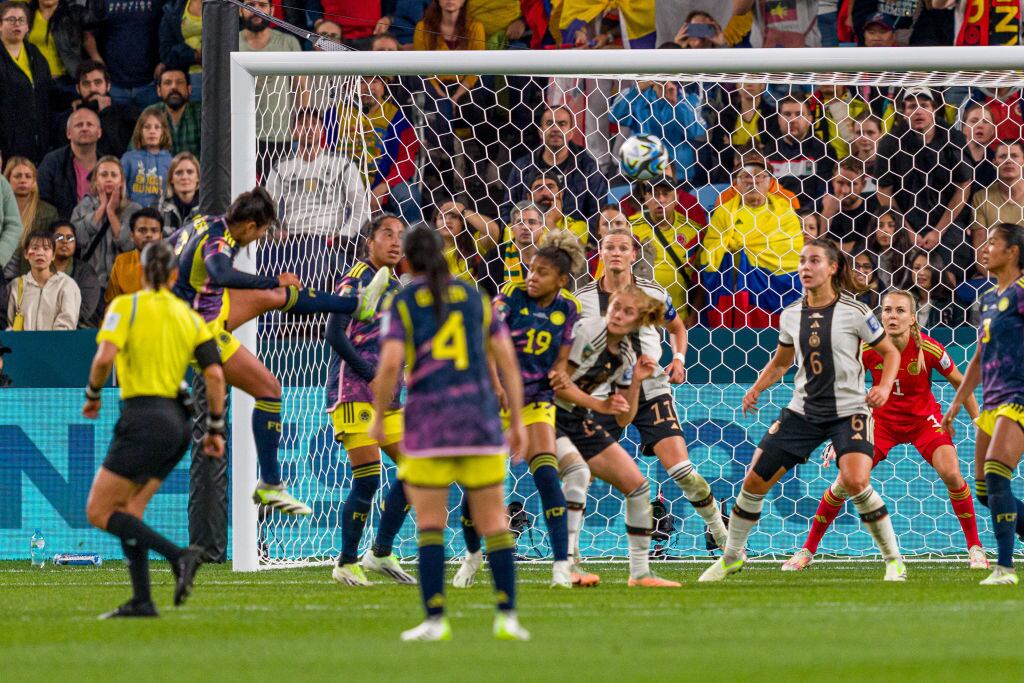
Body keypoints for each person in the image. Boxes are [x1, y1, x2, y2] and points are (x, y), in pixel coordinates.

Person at [170, 188, 390, 514]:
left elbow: (166, 250)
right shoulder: (220, 239)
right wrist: (271, 278)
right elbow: (220, 271)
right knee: (270, 389)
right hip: (195, 331)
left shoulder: (203, 222)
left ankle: (357, 306)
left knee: (280, 294)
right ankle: (270, 485)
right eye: (261, 232)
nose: (259, 239)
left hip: (204, 309)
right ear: (250, 225)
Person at [700, 238, 905, 583]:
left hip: (849, 410)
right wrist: (756, 388)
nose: (805, 268)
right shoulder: (791, 314)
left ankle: (894, 560)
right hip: (802, 412)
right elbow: (781, 362)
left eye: (814, 261)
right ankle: (732, 556)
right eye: (802, 261)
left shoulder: (855, 312)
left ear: (833, 267)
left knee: (855, 480)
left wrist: (883, 387)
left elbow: (891, 353)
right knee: (753, 481)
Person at [371, 225, 530, 642]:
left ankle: (435, 620)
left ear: (407, 260)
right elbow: (508, 363)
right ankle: (507, 616)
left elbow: (389, 366)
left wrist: (377, 414)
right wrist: (516, 420)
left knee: (429, 525)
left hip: (429, 426)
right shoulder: (475, 298)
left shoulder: (402, 301)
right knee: (495, 522)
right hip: (478, 422)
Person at [784, 289, 987, 571]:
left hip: (923, 421)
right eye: (888, 310)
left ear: (913, 319)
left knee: (952, 473)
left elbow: (960, 383)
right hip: (882, 423)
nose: (893, 316)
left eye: (900, 311)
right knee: (845, 481)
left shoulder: (929, 349)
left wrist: (979, 424)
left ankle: (975, 548)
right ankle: (806, 550)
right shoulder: (867, 349)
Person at [572, 227, 729, 582]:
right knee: (578, 474)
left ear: (632, 254)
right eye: (609, 247)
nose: (615, 253)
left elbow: (678, 327)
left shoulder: (654, 293)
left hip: (652, 390)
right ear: (600, 253)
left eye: (622, 247)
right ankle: (572, 559)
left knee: (683, 473)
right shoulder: (580, 300)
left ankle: (721, 535)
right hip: (605, 397)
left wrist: (679, 359)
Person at [83, 240, 225, 618]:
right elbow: (214, 374)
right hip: (179, 424)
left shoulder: (125, 306)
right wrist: (215, 428)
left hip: (143, 416)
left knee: (98, 511)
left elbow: (104, 358)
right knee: (130, 509)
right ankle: (143, 600)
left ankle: (178, 555)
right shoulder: (188, 315)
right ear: (176, 275)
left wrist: (93, 394)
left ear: (142, 273)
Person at [453, 230, 584, 589]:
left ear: (561, 280)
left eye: (541, 272)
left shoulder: (569, 307)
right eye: (531, 269)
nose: (532, 276)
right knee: (480, 483)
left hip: (537, 399)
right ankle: (472, 555)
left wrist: (561, 374)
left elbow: (563, 355)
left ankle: (560, 565)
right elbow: (487, 341)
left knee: (546, 472)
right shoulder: (509, 295)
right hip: (496, 397)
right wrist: (496, 385)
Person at [550, 284, 681, 588]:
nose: (617, 315)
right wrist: (600, 404)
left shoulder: (627, 355)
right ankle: (565, 567)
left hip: (576, 417)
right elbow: (557, 382)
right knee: (579, 472)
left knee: (637, 486)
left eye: (627, 311)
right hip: (544, 413)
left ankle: (640, 574)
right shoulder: (586, 331)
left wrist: (635, 382)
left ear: (639, 321)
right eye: (615, 307)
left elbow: (624, 417)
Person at [326, 215, 416, 587]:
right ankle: (345, 562)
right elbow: (333, 332)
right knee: (368, 478)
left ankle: (380, 552)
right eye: (387, 234)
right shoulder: (356, 280)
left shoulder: (395, 285)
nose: (395, 242)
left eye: (400, 236)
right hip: (353, 391)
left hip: (387, 395)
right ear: (369, 242)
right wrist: (370, 373)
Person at [944, 223, 1024, 585]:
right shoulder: (989, 298)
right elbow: (979, 356)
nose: (985, 248)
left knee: (995, 471)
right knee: (985, 493)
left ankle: (1005, 568)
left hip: (1019, 396)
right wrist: (957, 403)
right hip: (992, 400)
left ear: (1013, 253)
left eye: (993, 242)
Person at [264, 107, 370, 289]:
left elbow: (361, 205)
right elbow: (267, 205)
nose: (308, 128)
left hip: (326, 239)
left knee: (311, 249)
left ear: (322, 129)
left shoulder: (342, 163)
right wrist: (274, 230)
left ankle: (305, 306)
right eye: (302, 124)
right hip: (290, 238)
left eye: (314, 123)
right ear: (293, 131)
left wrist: (344, 234)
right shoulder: (281, 165)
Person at [702, 155, 804, 328]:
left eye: (759, 176)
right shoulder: (724, 213)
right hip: (735, 289)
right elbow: (709, 254)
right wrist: (737, 257)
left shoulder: (785, 212)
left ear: (770, 181)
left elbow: (793, 254)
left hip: (777, 293)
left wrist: (740, 247)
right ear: (737, 183)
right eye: (746, 176)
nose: (753, 181)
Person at [876, 88, 971, 253]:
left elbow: (963, 186)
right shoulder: (890, 143)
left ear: (934, 109)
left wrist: (939, 231)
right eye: (912, 106)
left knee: (947, 268)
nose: (918, 111)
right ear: (904, 112)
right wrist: (907, 230)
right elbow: (884, 191)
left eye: (924, 105)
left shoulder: (953, 138)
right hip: (905, 225)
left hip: (947, 223)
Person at [502, 105, 607, 227]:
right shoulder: (523, 166)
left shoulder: (588, 167)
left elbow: (598, 213)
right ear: (541, 132)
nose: (555, 128)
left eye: (562, 124)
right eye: (549, 123)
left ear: (571, 133)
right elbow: (508, 208)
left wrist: (586, 244)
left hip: (574, 239)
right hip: (529, 239)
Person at [238, 0, 301, 180]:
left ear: (272, 10)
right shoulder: (231, 43)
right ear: (240, 10)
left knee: (278, 197)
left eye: (262, 5)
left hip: (280, 136)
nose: (256, 10)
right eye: (250, 4)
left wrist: (300, 122)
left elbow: (301, 88)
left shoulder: (288, 43)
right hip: (241, 135)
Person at [628, 176, 701, 322]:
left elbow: (702, 281)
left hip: (679, 319)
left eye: (666, 193)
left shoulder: (693, 232)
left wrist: (693, 316)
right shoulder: (629, 228)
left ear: (676, 198)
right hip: (639, 318)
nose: (660, 199)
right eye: (655, 193)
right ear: (646, 198)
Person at [609, 79, 706, 184]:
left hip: (678, 176)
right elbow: (615, 116)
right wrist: (638, 89)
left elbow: (695, 131)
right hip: (639, 174)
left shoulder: (690, 100)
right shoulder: (635, 96)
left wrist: (675, 104)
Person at [70, 155, 141, 287]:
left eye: (114, 175)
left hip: (122, 284)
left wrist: (111, 212)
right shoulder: (84, 206)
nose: (109, 178)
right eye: (104, 175)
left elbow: (128, 246)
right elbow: (78, 240)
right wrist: (101, 209)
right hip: (90, 283)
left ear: (121, 181)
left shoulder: (134, 209)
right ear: (96, 180)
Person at [0, 1, 52, 164]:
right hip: (7, 141)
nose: (17, 24)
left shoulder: (35, 54)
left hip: (38, 139)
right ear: (0, 25)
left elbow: (48, 90)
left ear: (27, 27)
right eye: (11, 20)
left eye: (21, 20)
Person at [764, 95, 835, 209]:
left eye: (799, 114)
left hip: (809, 218)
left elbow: (824, 194)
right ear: (778, 119)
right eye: (787, 114)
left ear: (809, 119)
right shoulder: (768, 152)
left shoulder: (823, 151)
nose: (792, 120)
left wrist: (803, 215)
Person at [56, 61, 139, 158]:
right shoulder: (68, 119)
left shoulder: (127, 114)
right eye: (86, 84)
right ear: (78, 89)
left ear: (108, 86)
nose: (92, 89)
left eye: (98, 83)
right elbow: (64, 157)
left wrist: (105, 113)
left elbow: (121, 152)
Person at [92, 0, 162, 109]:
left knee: (153, 125)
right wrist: (95, 57)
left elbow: (169, 28)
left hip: (151, 83)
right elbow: (88, 32)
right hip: (113, 83)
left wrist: (163, 61)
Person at [7, 230, 80, 330]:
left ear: (53, 255)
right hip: (22, 345)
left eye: (46, 249)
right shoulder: (16, 286)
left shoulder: (66, 285)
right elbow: (8, 325)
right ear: (26, 254)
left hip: (55, 344)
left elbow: (67, 324)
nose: (40, 253)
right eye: (35, 248)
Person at [38, 106, 101, 219]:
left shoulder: (108, 164)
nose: (84, 128)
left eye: (89, 124)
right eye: (79, 125)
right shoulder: (52, 162)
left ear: (99, 132)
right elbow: (42, 203)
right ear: (68, 133)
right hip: (60, 230)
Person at [970, 140, 1024, 257]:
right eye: (1003, 156)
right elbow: (980, 253)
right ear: (994, 163)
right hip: (996, 269)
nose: (1008, 161)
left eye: (1014, 156)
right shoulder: (981, 198)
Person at [820, 158, 878, 254]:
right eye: (840, 183)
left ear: (863, 185)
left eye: (852, 184)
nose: (845, 190)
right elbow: (812, 251)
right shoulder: (819, 207)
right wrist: (826, 215)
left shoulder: (874, 212)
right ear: (833, 181)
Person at [4, 158, 59, 260]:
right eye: (17, 176)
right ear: (7, 180)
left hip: (31, 271)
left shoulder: (49, 213)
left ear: (34, 181)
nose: (23, 180)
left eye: (28, 176)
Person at [105, 207, 162, 303]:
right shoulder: (121, 262)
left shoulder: (172, 263)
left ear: (161, 236)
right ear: (132, 235)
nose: (148, 235)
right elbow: (111, 304)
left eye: (154, 230)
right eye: (142, 230)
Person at [51, 220, 101, 327]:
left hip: (78, 329)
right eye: (59, 237)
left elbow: (85, 309)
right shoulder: (40, 268)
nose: (65, 241)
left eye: (70, 238)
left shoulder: (86, 273)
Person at [121, 107, 173, 208]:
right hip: (133, 213)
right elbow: (121, 188)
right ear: (140, 131)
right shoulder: (128, 158)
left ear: (164, 132)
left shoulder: (170, 161)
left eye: (157, 127)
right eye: (147, 127)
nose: (152, 131)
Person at [152, 68, 201, 157]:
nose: (174, 87)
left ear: (189, 89)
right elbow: (135, 156)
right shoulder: (151, 114)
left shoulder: (202, 114)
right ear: (159, 91)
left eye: (179, 82)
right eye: (167, 83)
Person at [158, 0, 202, 97]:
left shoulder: (227, 5)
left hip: (223, 70)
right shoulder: (173, 9)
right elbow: (166, 50)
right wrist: (194, 55)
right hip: (187, 74)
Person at [158, 151, 199, 233]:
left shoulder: (207, 207)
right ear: (171, 179)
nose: (184, 177)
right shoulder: (159, 206)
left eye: (190, 172)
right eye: (179, 173)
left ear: (198, 177)